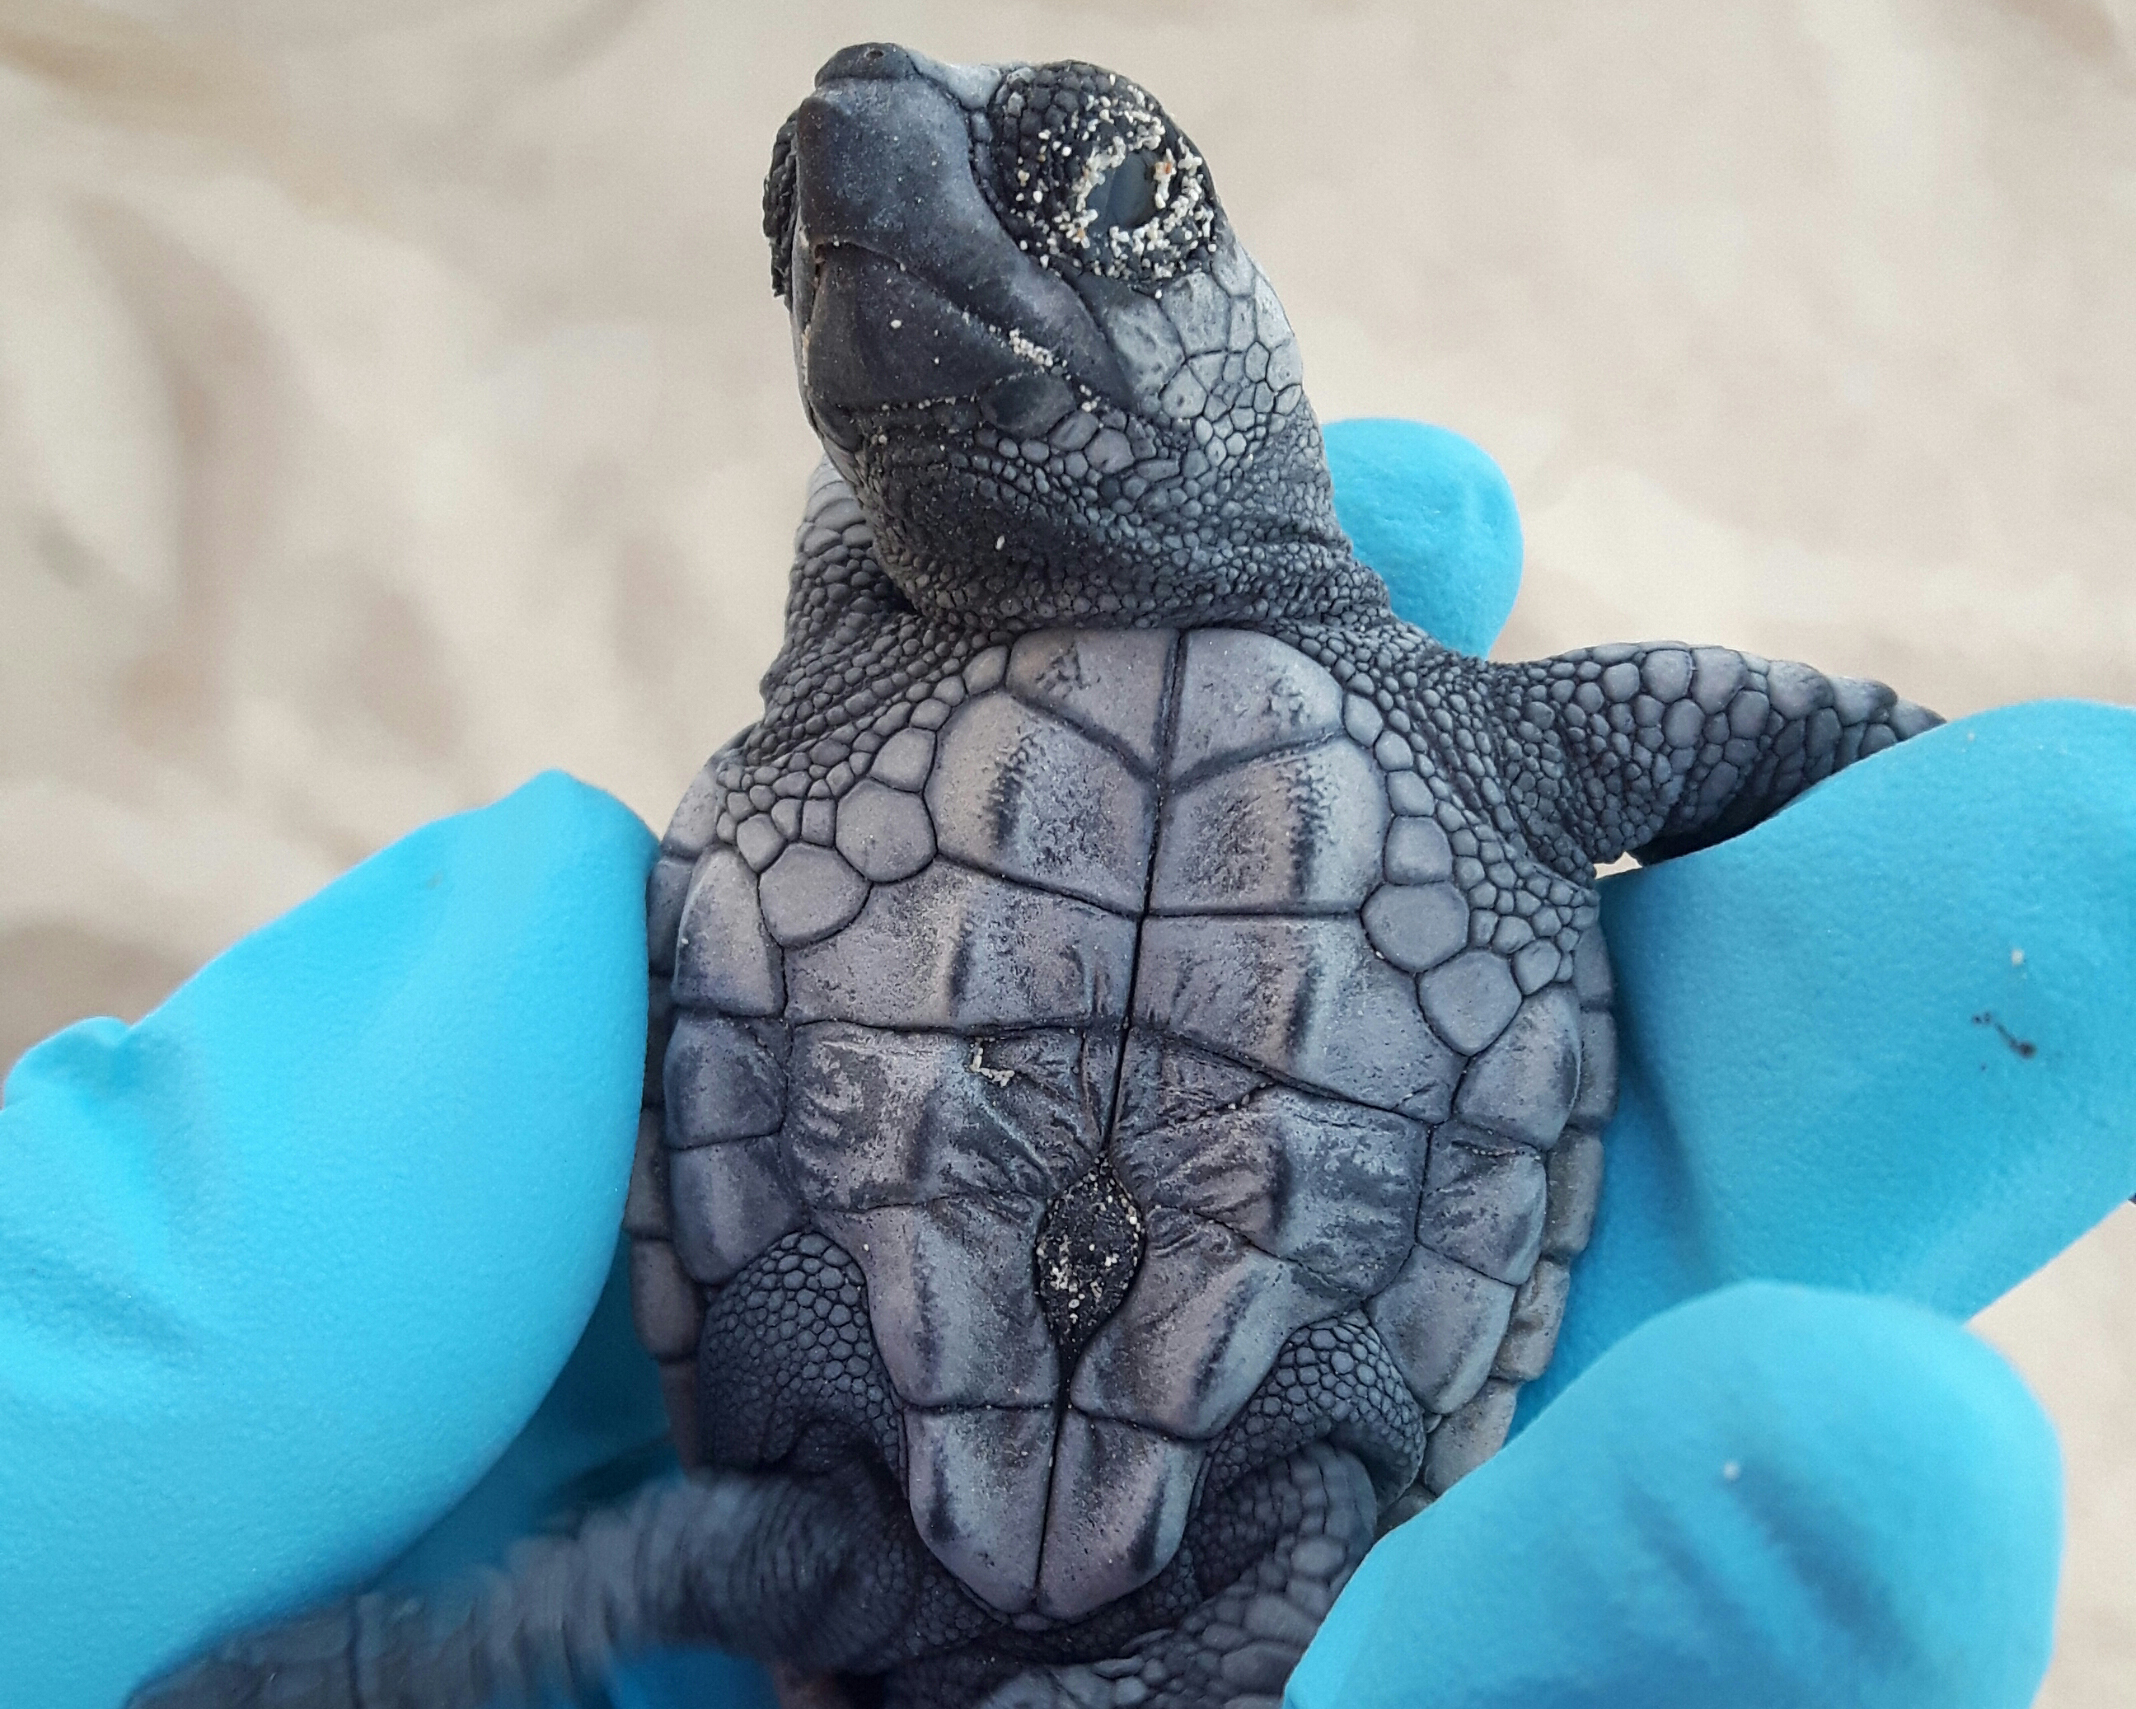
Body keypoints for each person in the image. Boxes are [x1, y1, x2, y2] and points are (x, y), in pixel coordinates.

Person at [5, 421, 2130, 1709]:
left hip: (975, 1495)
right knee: (600, 1595)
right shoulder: (927, 629)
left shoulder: (1466, 731)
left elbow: (1760, 754)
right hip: (911, 1480)